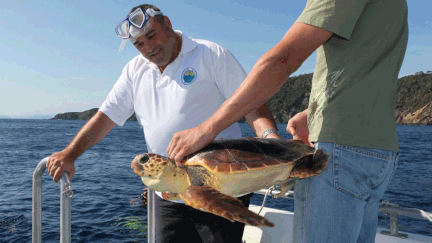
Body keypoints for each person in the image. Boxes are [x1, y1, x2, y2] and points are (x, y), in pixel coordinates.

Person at [167, 0, 408, 242]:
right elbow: (368, 65)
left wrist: (206, 129)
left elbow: (282, 60)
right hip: (379, 151)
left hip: (339, 152)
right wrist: (314, 113)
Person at [46, 3, 281, 243]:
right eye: (139, 44)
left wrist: (272, 139)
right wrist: (70, 154)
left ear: (167, 24)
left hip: (219, 188)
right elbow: (106, 117)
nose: (148, 48)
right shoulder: (134, 71)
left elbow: (252, 104)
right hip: (168, 194)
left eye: (151, 35)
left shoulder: (210, 54)